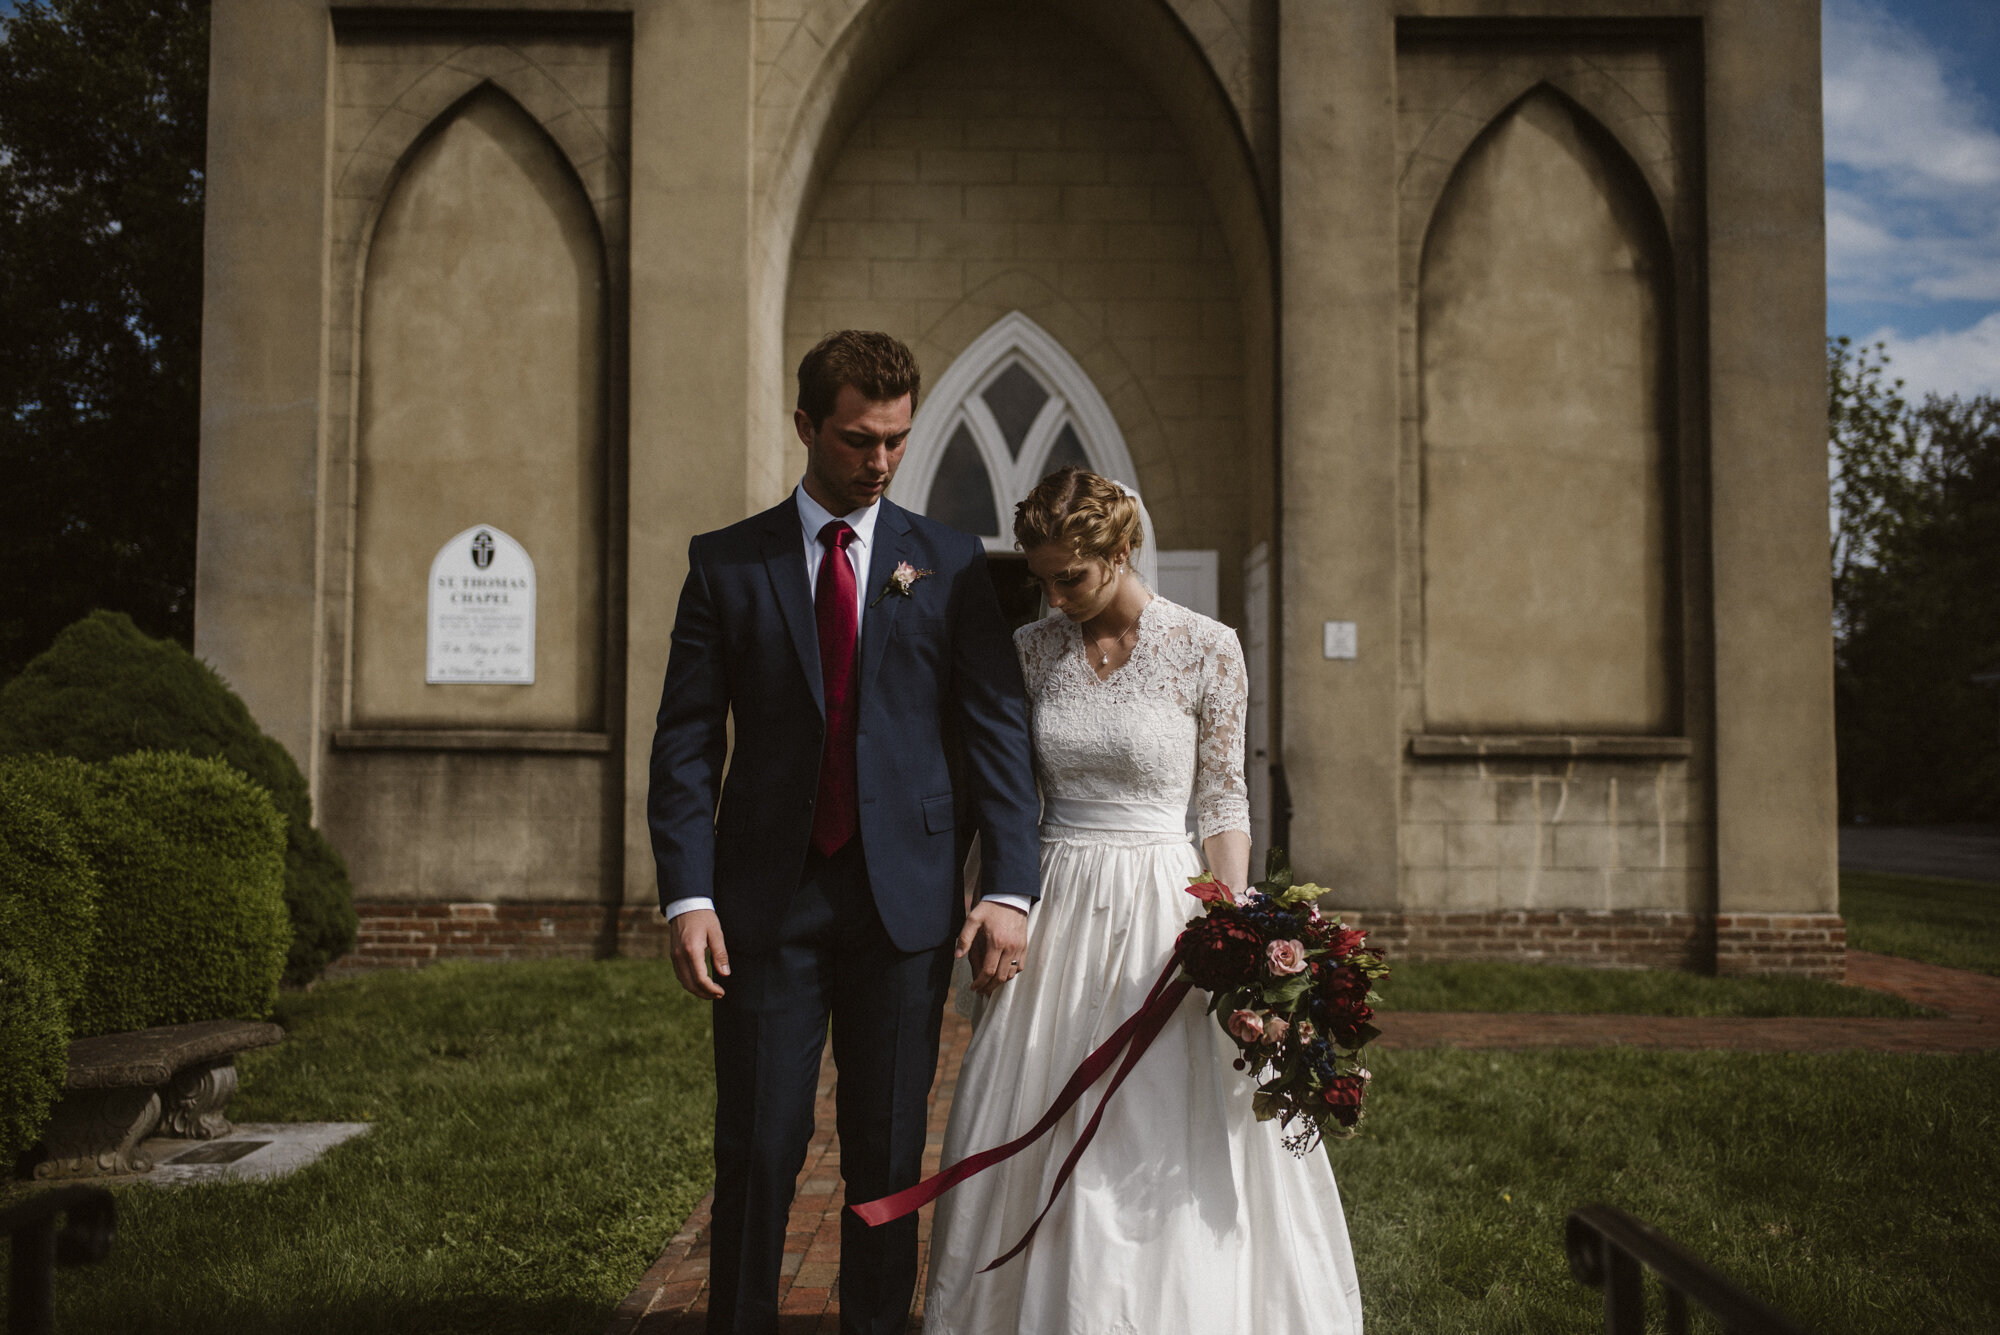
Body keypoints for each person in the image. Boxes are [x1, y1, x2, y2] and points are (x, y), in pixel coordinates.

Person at [648, 329, 1042, 1335]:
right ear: (804, 427)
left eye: (895, 441)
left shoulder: (948, 565)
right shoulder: (726, 565)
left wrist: (1008, 888)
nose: (878, 462)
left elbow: (995, 732)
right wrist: (687, 895)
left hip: (904, 905)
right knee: (760, 1144)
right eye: (857, 439)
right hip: (764, 906)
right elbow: (687, 741)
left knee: (884, 1150)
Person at [921, 467, 1365, 1334]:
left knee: (1160, 1125)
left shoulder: (1207, 646)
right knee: (1031, 1105)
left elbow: (1222, 801)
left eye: (1071, 578)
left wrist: (1235, 929)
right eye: (1042, 579)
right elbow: (1009, 790)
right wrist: (990, 892)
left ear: (1121, 551)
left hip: (1164, 905)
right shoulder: (1034, 649)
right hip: (1059, 903)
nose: (1054, 596)